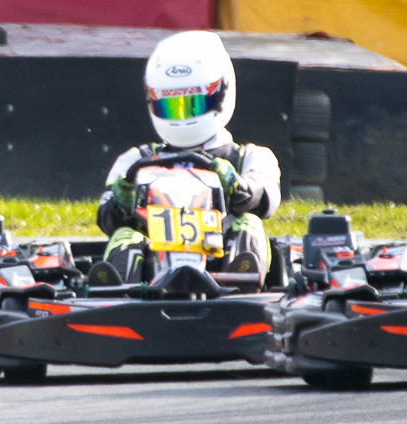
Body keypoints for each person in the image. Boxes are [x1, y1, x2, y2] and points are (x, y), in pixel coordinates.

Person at [91, 29, 281, 285]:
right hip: (152, 270)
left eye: (193, 104)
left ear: (221, 94)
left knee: (248, 224)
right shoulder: (135, 160)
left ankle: (241, 284)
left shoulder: (249, 157)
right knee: (125, 235)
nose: (182, 117)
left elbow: (266, 199)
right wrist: (123, 198)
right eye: (172, 107)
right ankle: (118, 291)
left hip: (219, 263)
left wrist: (237, 186)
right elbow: (106, 218)